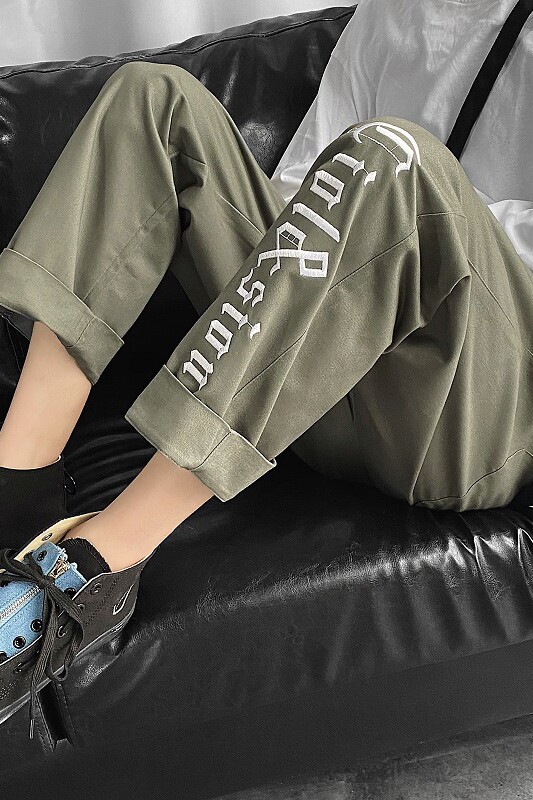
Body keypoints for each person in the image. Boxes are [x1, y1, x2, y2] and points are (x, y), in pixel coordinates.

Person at [0, 0, 532, 748]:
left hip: (472, 410)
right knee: (150, 97)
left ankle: (95, 569)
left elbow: (385, 173)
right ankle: (17, 484)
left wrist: (401, 213)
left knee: (394, 158)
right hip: (311, 362)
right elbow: (305, 183)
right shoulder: (404, 12)